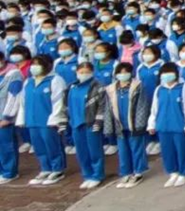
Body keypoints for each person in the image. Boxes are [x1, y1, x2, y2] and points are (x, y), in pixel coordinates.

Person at [17, 55, 67, 185]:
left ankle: (57, 169)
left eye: (38, 64)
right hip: (32, 120)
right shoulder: (28, 82)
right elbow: (23, 101)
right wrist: (21, 118)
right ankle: (45, 168)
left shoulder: (55, 80)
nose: (35, 67)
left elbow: (58, 101)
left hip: (48, 120)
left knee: (51, 144)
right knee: (38, 146)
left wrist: (55, 118)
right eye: (33, 64)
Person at [147, 63, 185, 187]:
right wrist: (151, 124)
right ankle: (173, 172)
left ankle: (184, 173)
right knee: (167, 151)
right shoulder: (159, 89)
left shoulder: (183, 88)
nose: (166, 75)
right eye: (164, 73)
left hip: (179, 125)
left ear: (176, 74)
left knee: (182, 150)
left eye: (169, 73)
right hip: (163, 126)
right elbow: (154, 109)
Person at [103, 62, 150, 188]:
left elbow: (142, 106)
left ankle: (138, 172)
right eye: (120, 72)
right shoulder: (111, 89)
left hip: (134, 124)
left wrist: (140, 124)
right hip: (119, 124)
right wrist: (108, 127)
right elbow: (108, 109)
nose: (123, 74)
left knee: (136, 147)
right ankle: (126, 173)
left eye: (126, 72)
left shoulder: (137, 86)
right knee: (123, 150)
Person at [67, 61, 107, 188]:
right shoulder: (72, 87)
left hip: (91, 122)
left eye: (87, 72)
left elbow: (102, 105)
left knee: (94, 150)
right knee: (81, 152)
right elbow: (66, 105)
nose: (84, 74)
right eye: (81, 72)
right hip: (76, 123)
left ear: (92, 73)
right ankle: (87, 175)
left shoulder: (97, 86)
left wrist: (98, 121)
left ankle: (97, 175)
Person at [0, 50, 24, 184]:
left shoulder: (14, 74)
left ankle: (9, 172)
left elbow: (14, 97)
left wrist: (7, 117)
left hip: (5, 117)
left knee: (6, 145)